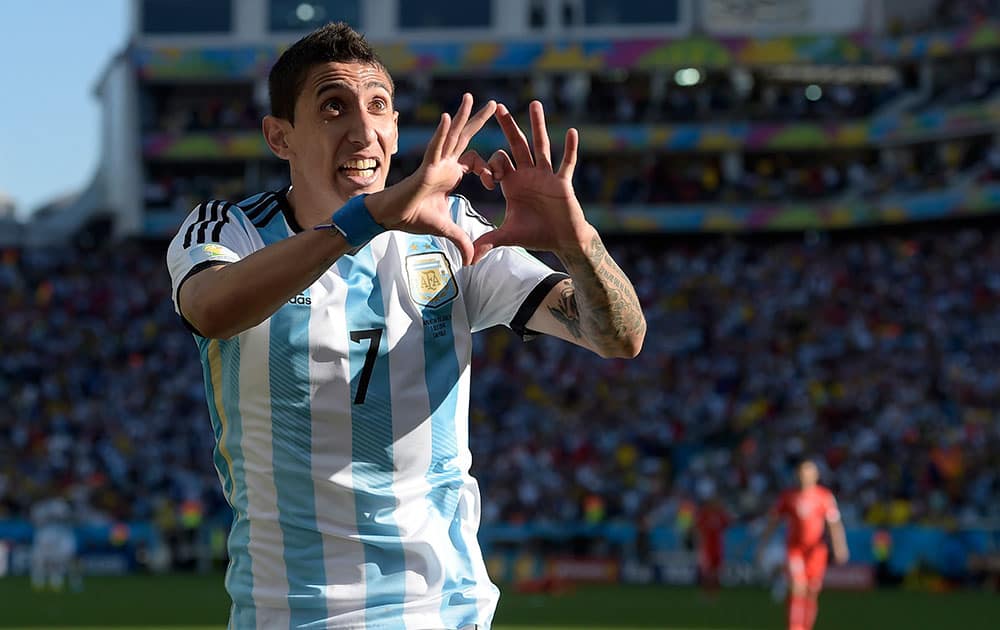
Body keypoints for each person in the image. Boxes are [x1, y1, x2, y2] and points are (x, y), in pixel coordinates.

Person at [165, 22, 645, 630]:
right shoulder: (226, 230)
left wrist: (577, 241)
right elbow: (211, 310)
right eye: (333, 107)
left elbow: (618, 335)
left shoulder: (452, 235)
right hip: (291, 615)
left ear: (394, 129)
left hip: (444, 612)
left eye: (378, 107)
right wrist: (363, 221)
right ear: (279, 137)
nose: (363, 130)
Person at [758, 459, 849, 630]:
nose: (804, 476)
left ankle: (806, 626)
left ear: (815, 475)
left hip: (816, 550)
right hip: (795, 549)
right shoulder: (788, 496)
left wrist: (839, 546)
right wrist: (763, 545)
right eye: (801, 473)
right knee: (797, 586)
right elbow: (773, 521)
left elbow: (834, 524)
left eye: (808, 473)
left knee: (812, 591)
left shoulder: (824, 496)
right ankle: (795, 626)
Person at [693, 494, 731, 598]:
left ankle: (714, 592)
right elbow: (697, 529)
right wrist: (699, 543)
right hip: (707, 547)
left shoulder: (721, 514)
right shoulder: (704, 514)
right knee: (707, 571)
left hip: (718, 547)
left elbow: (728, 524)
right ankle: (706, 592)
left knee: (716, 571)